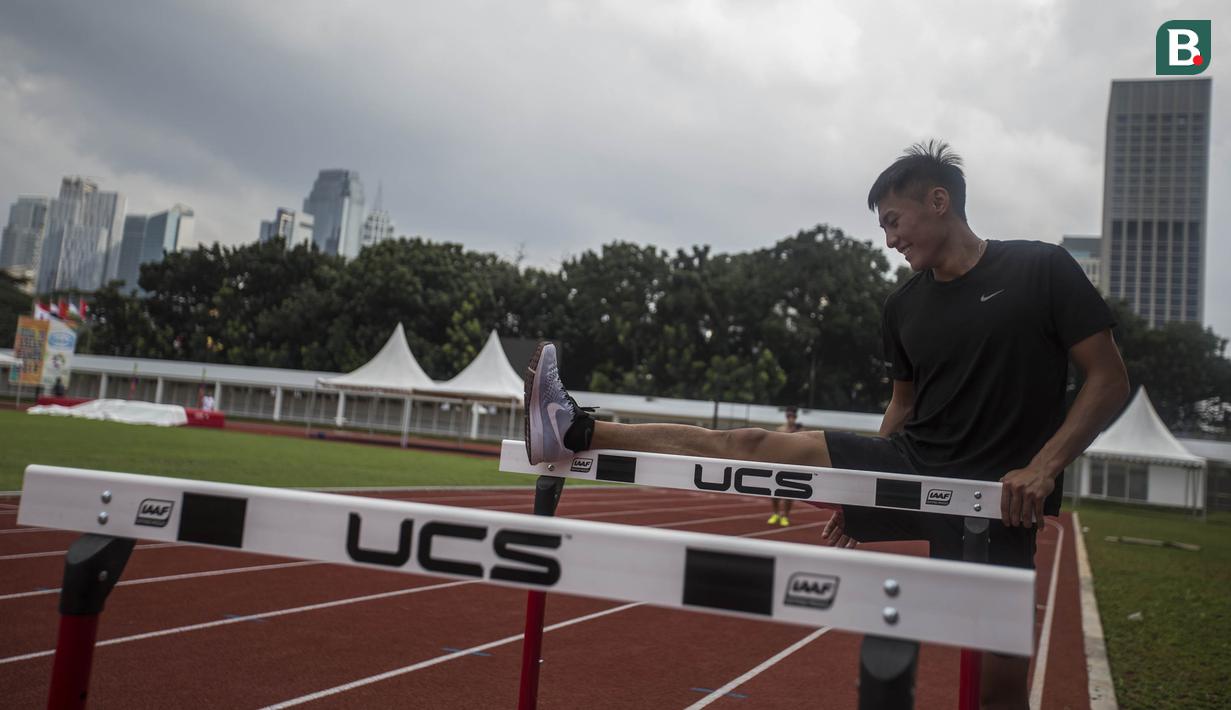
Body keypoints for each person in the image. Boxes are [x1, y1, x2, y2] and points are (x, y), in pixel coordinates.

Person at [523, 140, 1130, 709]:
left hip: (998, 496)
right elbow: (904, 407)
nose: (890, 240)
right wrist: (858, 490)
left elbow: (1108, 379)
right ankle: (574, 428)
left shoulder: (1042, 269)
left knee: (999, 691)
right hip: (915, 466)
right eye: (884, 227)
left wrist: (1044, 468)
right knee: (752, 444)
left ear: (938, 201)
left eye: (895, 221)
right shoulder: (903, 306)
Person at [767, 406, 802, 526]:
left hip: (793, 464)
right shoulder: (779, 430)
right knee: (774, 491)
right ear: (786, 416)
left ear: (796, 417)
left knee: (789, 493)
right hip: (779, 463)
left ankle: (785, 516)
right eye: (788, 416)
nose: (790, 418)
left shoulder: (800, 431)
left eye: (792, 416)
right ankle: (776, 513)